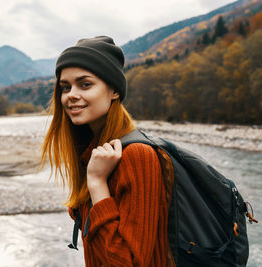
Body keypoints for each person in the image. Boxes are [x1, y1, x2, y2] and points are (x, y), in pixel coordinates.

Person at [41, 36, 175, 266]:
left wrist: (96, 183)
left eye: (85, 84)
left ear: (114, 90)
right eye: (65, 87)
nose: (71, 94)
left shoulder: (136, 156)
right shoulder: (94, 153)